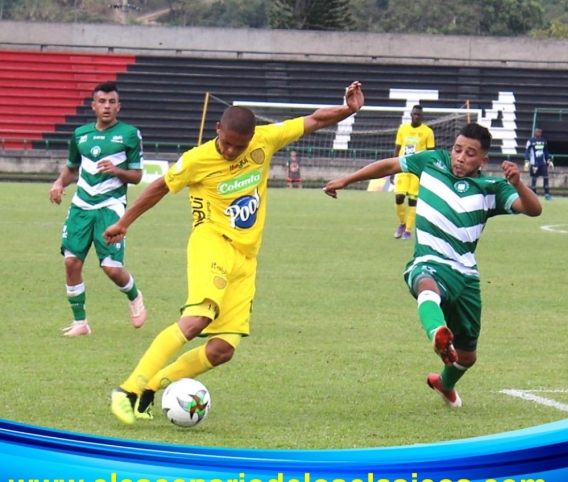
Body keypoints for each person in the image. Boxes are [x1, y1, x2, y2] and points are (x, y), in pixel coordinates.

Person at [104, 81, 364, 425]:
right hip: (211, 242)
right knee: (198, 320)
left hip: (245, 258)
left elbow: (314, 120)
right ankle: (127, 390)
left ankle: (152, 387)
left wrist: (348, 110)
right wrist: (125, 222)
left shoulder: (265, 140)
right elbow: (159, 187)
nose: (230, 151)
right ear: (217, 131)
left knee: (222, 349)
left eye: (238, 147)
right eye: (226, 143)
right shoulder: (197, 159)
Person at [324, 123, 541, 407]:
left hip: (465, 275)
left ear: (483, 161)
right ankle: (438, 332)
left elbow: (533, 209)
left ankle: (443, 383)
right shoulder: (432, 161)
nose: (460, 157)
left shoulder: (492, 188)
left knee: (467, 357)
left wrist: (518, 184)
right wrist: (346, 180)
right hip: (428, 260)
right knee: (425, 282)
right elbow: (390, 165)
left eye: (470, 153)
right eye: (457, 149)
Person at [49, 81, 147, 337]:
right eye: (102, 102)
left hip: (110, 207)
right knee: (71, 262)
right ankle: (80, 322)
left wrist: (117, 171)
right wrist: (59, 183)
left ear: (118, 106)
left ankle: (135, 297)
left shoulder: (129, 134)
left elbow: (136, 176)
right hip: (81, 206)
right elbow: (72, 168)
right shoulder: (80, 134)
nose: (107, 106)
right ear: (93, 106)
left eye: (112, 102)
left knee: (111, 268)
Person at [392, 105, 435, 240]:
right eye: (415, 114)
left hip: (417, 171)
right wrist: (392, 169)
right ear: (411, 114)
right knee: (399, 197)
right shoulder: (403, 129)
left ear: (422, 116)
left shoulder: (428, 132)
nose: (416, 116)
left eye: (419, 115)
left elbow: (431, 153)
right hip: (403, 167)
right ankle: (402, 223)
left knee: (412, 200)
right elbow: (397, 148)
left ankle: (408, 230)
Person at [524, 128, 553, 200]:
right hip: (534, 163)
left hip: (542, 163)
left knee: (546, 177)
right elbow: (527, 152)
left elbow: (546, 151)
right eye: (537, 132)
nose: (539, 133)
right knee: (534, 179)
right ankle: (534, 195)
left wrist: (549, 160)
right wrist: (527, 161)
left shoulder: (543, 141)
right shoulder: (530, 141)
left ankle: (547, 194)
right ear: (534, 132)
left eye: (540, 132)